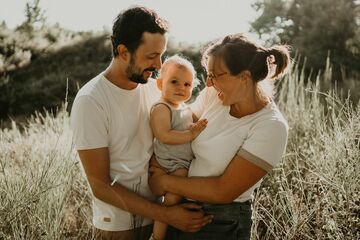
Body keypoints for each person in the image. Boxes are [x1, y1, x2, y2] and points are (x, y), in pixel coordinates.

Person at [70, 6, 212, 240]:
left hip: (162, 217)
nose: (159, 65)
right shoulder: (91, 101)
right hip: (119, 227)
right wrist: (167, 215)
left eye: (161, 55)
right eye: (151, 56)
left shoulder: (156, 90)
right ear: (124, 51)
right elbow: (100, 185)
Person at [149, 33, 291, 240]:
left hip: (220, 223)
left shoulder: (270, 127)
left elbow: (222, 190)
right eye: (208, 74)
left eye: (216, 76)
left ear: (244, 77)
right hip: (179, 207)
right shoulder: (214, 96)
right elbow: (180, 127)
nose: (208, 83)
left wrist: (163, 182)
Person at [149, 55, 208, 240]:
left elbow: (192, 124)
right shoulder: (162, 107)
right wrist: (190, 134)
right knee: (171, 200)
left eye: (187, 84)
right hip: (169, 164)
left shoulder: (184, 108)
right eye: (174, 81)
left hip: (179, 162)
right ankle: (156, 237)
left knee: (182, 195)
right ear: (160, 84)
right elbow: (163, 135)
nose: (181, 88)